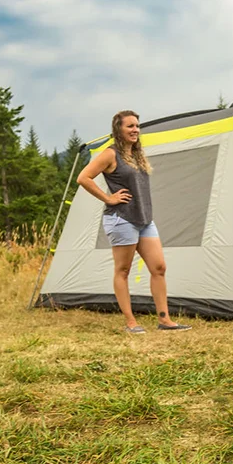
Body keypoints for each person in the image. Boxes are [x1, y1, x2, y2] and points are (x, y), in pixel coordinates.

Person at [76, 110, 191, 334]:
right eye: (130, 126)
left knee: (159, 267)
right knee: (123, 270)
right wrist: (108, 198)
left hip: (144, 219)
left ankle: (165, 320)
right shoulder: (110, 154)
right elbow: (83, 177)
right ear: (118, 129)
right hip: (121, 219)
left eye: (137, 126)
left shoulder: (137, 154)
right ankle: (130, 322)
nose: (135, 130)